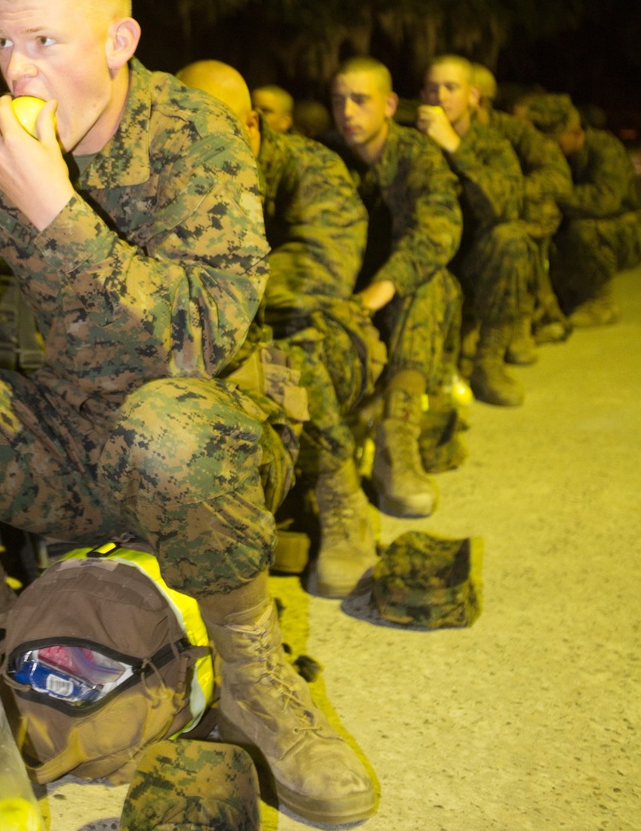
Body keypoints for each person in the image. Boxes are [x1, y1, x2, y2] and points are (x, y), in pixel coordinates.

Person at [0, 0, 376, 828]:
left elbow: (202, 339)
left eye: (45, 42)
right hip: (71, 441)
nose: (20, 74)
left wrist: (55, 211)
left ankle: (254, 682)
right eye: (4, 44)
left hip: (203, 452)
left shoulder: (196, 136)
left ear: (119, 42)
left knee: (169, 427)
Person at [178, 60, 383, 598]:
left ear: (250, 124)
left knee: (288, 349)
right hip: (223, 340)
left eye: (210, 125)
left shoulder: (307, 167)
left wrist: (210, 299)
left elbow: (322, 271)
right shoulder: (168, 174)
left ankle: (341, 495)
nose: (192, 141)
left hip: (318, 335)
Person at [330, 57, 463, 519]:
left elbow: (440, 231)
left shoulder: (416, 155)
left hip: (402, 302)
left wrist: (380, 291)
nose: (347, 111)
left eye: (360, 100)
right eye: (339, 100)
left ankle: (397, 437)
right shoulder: (327, 157)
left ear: (389, 105)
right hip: (347, 298)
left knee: (431, 282)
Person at [419, 56, 536, 408]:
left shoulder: (492, 144)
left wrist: (455, 146)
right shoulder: (411, 141)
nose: (439, 96)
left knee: (511, 240)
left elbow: (504, 205)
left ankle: (489, 361)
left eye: (450, 88)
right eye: (431, 88)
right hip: (429, 254)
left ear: (472, 96)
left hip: (474, 259)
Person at [470, 65, 572, 348]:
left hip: (517, 215)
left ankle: (527, 315)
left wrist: (511, 193)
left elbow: (558, 178)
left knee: (515, 233)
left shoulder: (514, 132)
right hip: (473, 217)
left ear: (479, 99)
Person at [522, 94, 641, 325]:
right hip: (589, 221)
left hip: (626, 229)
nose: (550, 148)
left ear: (576, 133)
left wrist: (555, 196)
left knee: (584, 231)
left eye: (556, 141)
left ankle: (601, 302)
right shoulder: (550, 154)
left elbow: (604, 201)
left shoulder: (604, 149)